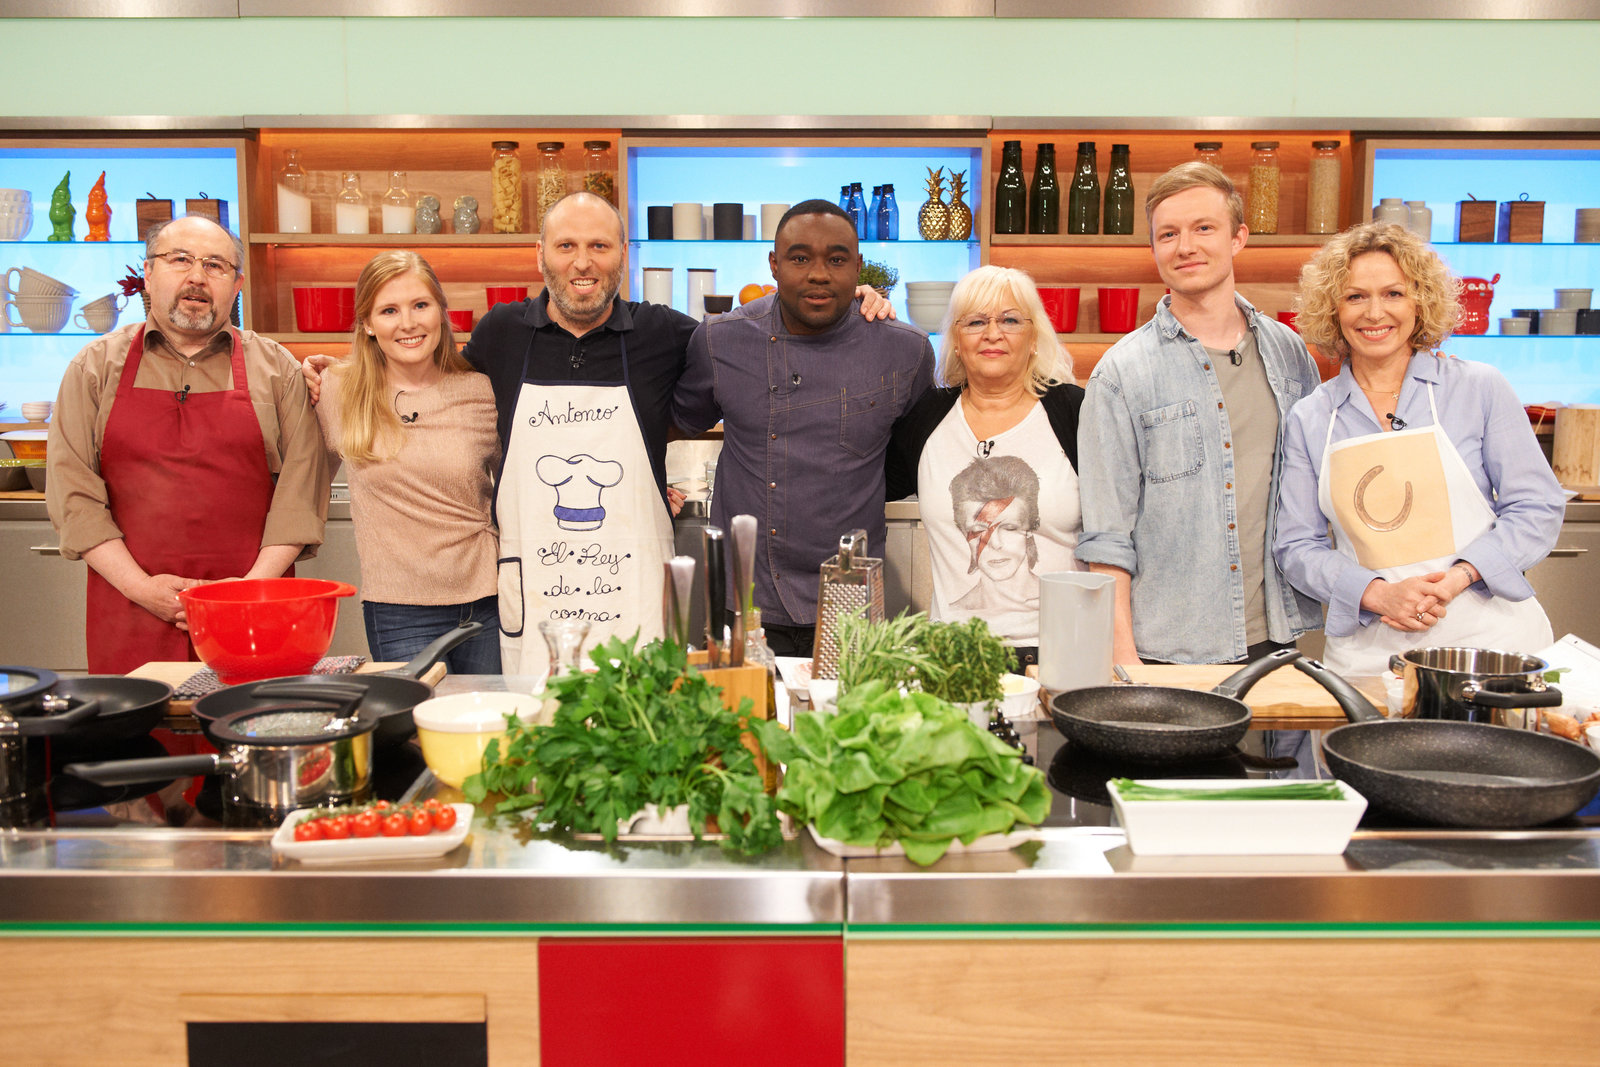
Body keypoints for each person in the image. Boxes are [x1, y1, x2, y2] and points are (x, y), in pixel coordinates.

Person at [303, 192, 891, 671]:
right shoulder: (501, 334)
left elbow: (760, 336)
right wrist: (345, 372)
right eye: (566, 246)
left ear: (622, 255)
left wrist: (853, 305)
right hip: (536, 592)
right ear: (541, 255)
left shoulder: (668, 333)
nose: (582, 262)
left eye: (599, 246)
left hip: (632, 593)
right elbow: (431, 378)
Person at [1275, 222, 1564, 677]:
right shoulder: (1311, 417)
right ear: (1333, 309)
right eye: (1355, 297)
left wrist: (1459, 577)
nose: (1375, 313)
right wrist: (1378, 594)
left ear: (1420, 301)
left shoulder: (1478, 388)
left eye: (1393, 293)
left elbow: (1536, 506)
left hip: (1491, 646)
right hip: (1371, 658)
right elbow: (1296, 546)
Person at [46, 215, 328, 673]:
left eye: (215, 265)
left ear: (237, 285)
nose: (197, 276)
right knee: (141, 718)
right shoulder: (94, 368)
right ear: (148, 273)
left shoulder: (277, 368)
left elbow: (300, 497)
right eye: (180, 260)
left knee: (251, 715)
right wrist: (141, 588)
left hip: (251, 609)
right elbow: (74, 499)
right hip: (130, 608)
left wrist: (246, 591)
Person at [1076, 162, 1323, 666]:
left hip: (1279, 637)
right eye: (1168, 234)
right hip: (1168, 648)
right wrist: (1125, 663)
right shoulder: (1120, 373)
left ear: (1238, 238)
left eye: (1203, 228)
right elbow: (1107, 539)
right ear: (1154, 250)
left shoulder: (1290, 353)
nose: (1185, 246)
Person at [673, 199, 935, 657]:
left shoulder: (904, 350)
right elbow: (670, 423)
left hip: (851, 600)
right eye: (799, 258)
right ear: (773, 264)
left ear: (858, 267)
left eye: (836, 260)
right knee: (744, 705)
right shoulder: (721, 341)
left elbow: (915, 458)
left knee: (849, 707)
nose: (818, 274)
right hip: (746, 595)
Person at [885, 264, 1084, 670]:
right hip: (953, 657)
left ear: (1033, 338)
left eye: (1010, 320)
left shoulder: (1074, 412)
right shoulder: (927, 417)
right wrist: (861, 314)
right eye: (976, 322)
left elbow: (1117, 533)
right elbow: (861, 481)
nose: (993, 333)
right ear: (957, 341)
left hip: (1062, 654)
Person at [315, 251, 501, 673]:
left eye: (420, 305)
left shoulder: (481, 391)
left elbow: (522, 486)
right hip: (397, 609)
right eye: (389, 311)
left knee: (487, 714)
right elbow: (301, 484)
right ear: (367, 323)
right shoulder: (336, 390)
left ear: (441, 312)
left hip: (486, 602)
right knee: (415, 715)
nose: (408, 323)